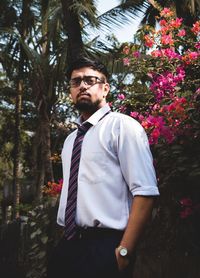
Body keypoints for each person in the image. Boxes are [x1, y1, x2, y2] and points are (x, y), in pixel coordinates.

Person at [47, 56, 160, 278]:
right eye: (76, 81)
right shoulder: (71, 140)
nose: (82, 86)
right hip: (68, 245)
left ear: (105, 88)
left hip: (107, 246)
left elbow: (145, 193)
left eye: (90, 80)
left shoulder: (123, 127)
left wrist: (124, 252)